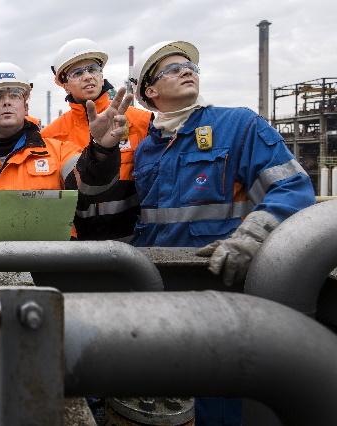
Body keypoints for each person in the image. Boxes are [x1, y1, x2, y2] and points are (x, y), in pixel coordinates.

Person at [130, 40, 315, 425]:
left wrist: (251, 237)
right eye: (173, 68)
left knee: (226, 392)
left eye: (191, 66)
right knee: (193, 384)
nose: (187, 71)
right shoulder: (148, 150)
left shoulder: (238, 125)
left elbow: (292, 188)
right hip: (170, 291)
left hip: (227, 284)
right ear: (150, 91)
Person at [0, 62, 129, 242]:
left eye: (14, 95)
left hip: (53, 267)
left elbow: (91, 187)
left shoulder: (58, 152)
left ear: (25, 106)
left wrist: (101, 149)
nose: (6, 102)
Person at [42, 38, 152, 240]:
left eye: (93, 69)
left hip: (135, 240)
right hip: (79, 246)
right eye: (78, 73)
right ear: (64, 84)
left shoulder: (141, 121)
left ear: (102, 76)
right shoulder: (50, 135)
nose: (88, 77)